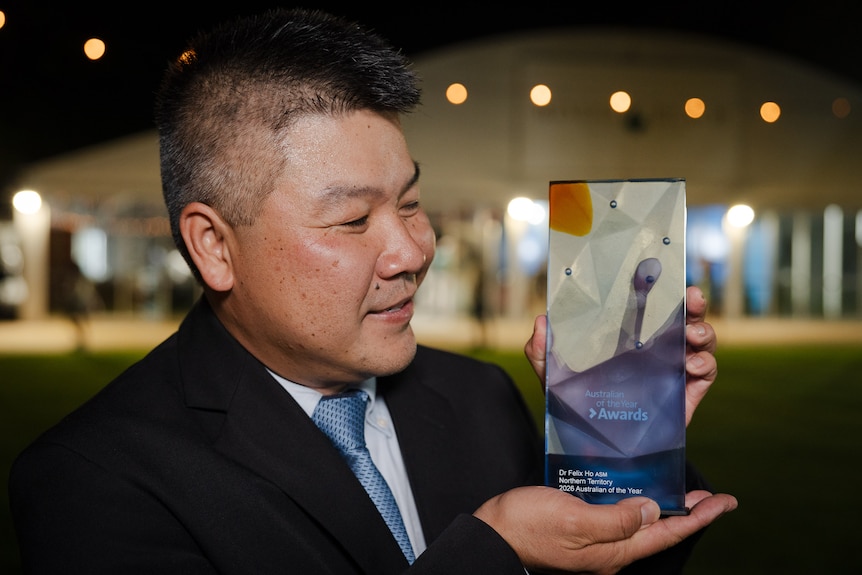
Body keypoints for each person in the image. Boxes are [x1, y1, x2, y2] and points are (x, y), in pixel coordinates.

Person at [8, 8, 736, 574]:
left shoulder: (481, 397)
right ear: (213, 245)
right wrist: (496, 555)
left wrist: (619, 446)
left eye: (412, 202)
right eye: (354, 219)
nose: (414, 249)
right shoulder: (94, 479)